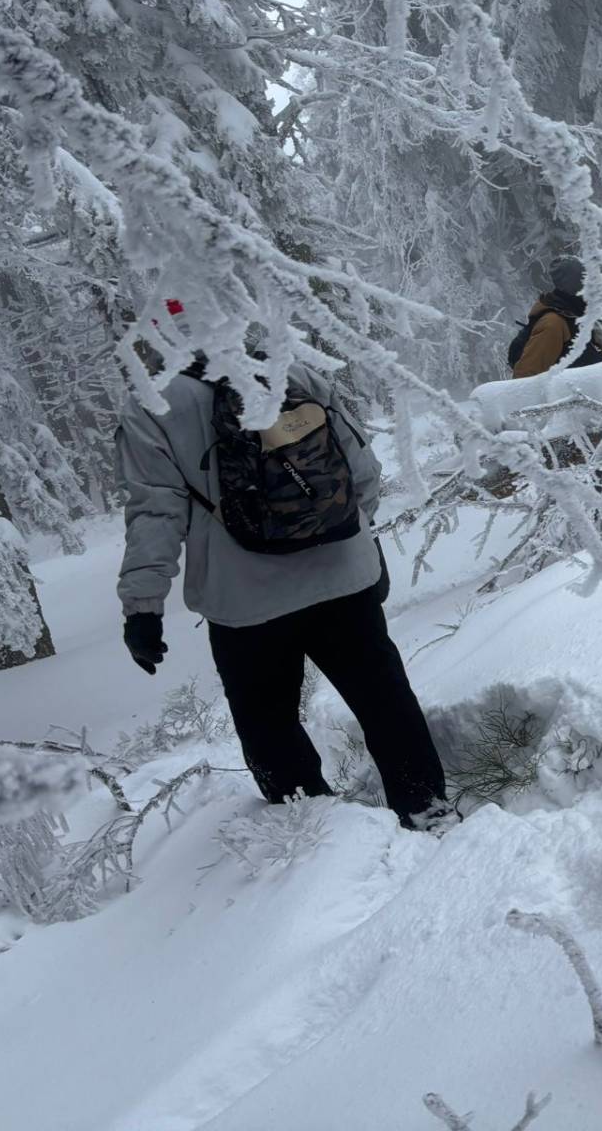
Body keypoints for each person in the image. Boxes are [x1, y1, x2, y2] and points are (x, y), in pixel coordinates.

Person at [116, 311, 448, 831]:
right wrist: (360, 539)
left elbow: (155, 512)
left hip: (246, 602)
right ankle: (427, 808)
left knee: (268, 722)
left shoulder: (154, 405)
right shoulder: (288, 368)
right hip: (343, 576)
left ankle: (317, 834)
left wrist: (142, 607)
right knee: (384, 700)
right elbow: (360, 466)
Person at [510, 256, 602, 378]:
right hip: (567, 397)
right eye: (590, 284)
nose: (597, 290)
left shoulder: (578, 320)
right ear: (576, 287)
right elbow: (525, 377)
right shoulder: (554, 324)